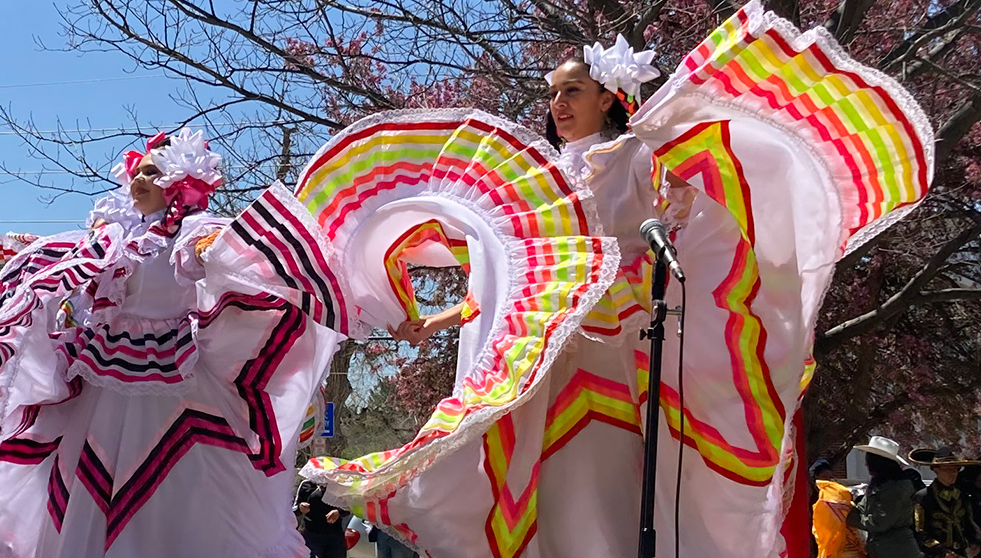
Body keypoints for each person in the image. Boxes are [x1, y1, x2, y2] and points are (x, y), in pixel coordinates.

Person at [296, 5, 936, 557]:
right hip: (538, 367)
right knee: (533, 493)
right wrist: (436, 319)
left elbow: (679, 233)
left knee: (594, 490)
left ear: (607, 97)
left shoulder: (634, 158)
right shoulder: (539, 175)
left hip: (605, 359)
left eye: (572, 91)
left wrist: (620, 249)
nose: (558, 105)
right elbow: (514, 276)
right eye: (553, 95)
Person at [0, 129, 352, 557]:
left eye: (153, 172)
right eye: (138, 171)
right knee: (80, 483)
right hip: (103, 379)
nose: (139, 180)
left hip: (177, 378)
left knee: (181, 487)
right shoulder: (116, 238)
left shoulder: (190, 232)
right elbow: (75, 274)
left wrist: (214, 247)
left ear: (179, 180)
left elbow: (219, 249)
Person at [848, 437, 925, 558]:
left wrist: (853, 518)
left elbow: (880, 523)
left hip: (898, 551)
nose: (865, 464)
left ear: (877, 463)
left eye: (868, 460)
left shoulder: (897, 488)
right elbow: (863, 507)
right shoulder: (878, 484)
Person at [911, 447, 981, 558]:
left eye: (956, 469)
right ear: (936, 470)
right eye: (947, 469)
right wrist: (941, 551)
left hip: (960, 553)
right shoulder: (923, 497)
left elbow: (969, 522)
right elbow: (920, 532)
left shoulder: (962, 495)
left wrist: (974, 542)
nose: (953, 473)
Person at [814, 459, 869, 558]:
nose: (828, 481)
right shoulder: (819, 503)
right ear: (816, 478)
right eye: (825, 477)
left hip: (843, 549)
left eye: (831, 477)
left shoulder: (842, 500)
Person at [298, 481, 350, 558]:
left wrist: (338, 512)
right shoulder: (306, 484)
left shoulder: (339, 485)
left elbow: (350, 506)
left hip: (334, 535)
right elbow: (295, 507)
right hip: (311, 535)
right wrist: (301, 507)